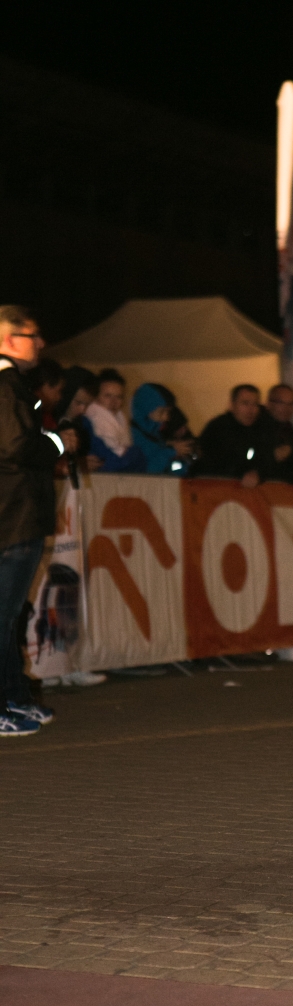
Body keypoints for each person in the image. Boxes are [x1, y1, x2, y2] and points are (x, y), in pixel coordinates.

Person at [0, 306, 73, 735]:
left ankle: (14, 696)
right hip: (15, 512)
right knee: (5, 613)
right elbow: (15, 447)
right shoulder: (7, 385)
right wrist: (57, 443)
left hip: (13, 512)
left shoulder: (13, 385)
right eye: (33, 335)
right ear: (9, 339)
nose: (41, 343)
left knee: (9, 614)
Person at [195, 384, 272, 486]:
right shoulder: (218, 428)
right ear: (232, 405)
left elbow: (265, 459)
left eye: (255, 404)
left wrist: (258, 473)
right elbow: (216, 463)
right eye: (245, 403)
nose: (251, 410)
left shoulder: (262, 429)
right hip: (214, 486)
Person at [82, 369, 147, 473]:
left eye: (119, 397)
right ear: (96, 396)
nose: (113, 402)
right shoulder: (92, 419)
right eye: (108, 396)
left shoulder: (120, 417)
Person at [130, 383, 194, 475]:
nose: (165, 417)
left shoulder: (154, 435)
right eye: (161, 412)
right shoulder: (131, 436)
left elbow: (167, 470)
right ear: (146, 409)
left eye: (167, 412)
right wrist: (171, 451)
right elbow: (145, 472)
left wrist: (182, 463)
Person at [260, 384, 293, 485]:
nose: (287, 408)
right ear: (269, 404)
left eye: (291, 404)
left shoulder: (288, 429)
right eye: (281, 403)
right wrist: (273, 456)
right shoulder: (258, 427)